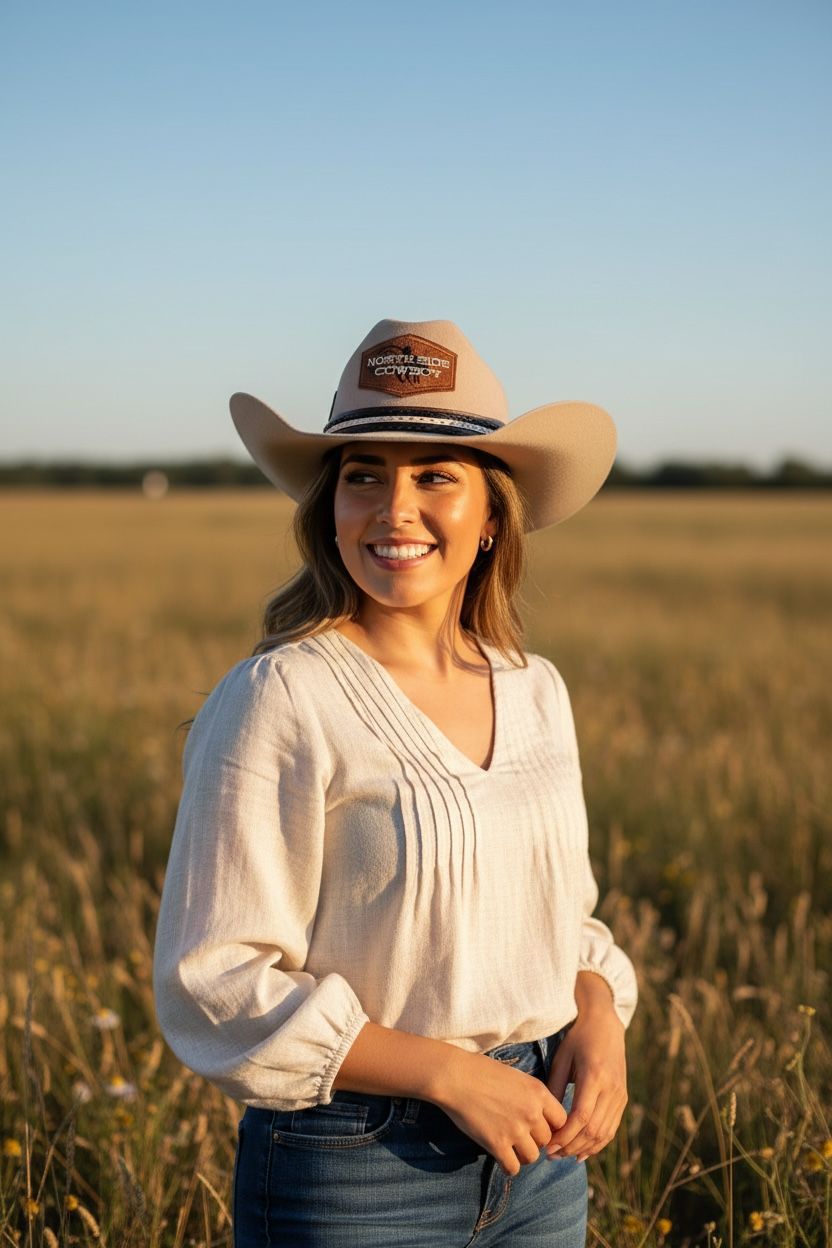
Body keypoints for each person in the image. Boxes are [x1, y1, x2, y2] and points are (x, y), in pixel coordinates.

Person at [152, 318, 638, 1247]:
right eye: (363, 473)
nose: (392, 508)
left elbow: (559, 918)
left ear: (494, 514)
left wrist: (600, 1009)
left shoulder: (535, 691)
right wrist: (448, 1075)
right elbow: (216, 980)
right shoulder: (283, 695)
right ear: (329, 505)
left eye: (433, 475)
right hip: (355, 1171)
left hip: (541, 1156)